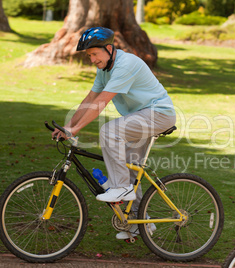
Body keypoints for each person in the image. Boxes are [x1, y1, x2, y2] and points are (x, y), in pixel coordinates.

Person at [52, 27, 176, 239]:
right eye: (89, 55)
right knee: (129, 171)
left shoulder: (125, 65)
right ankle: (140, 224)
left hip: (159, 114)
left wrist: (75, 129)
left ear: (109, 49)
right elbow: (90, 99)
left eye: (94, 54)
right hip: (141, 117)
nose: (92, 59)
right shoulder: (104, 69)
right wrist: (68, 126)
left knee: (109, 131)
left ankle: (119, 187)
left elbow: (101, 103)